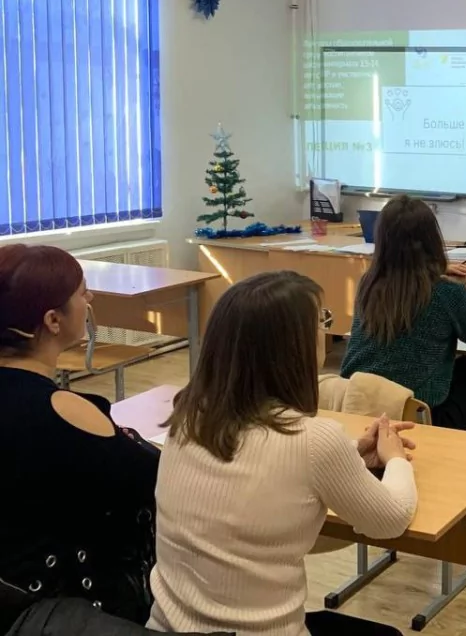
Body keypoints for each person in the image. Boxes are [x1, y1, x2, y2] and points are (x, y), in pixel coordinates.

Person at [149, 271, 417, 636]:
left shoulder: (188, 416)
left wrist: (352, 453)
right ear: (293, 348)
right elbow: (391, 520)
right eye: (321, 321)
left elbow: (261, 481)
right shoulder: (313, 441)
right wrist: (395, 457)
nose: (325, 332)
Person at [0, 245, 160, 625]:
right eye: (82, 293)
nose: (89, 300)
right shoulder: (61, 410)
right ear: (53, 320)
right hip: (62, 606)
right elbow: (154, 480)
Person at [342, 195, 466, 436]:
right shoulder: (446, 292)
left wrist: (432, 271)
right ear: (432, 240)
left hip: (358, 405)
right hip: (416, 414)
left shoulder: (368, 283)